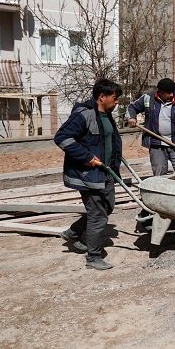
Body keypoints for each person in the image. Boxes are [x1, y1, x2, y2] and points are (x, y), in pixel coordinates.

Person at [54, 79, 123, 270]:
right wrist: (86, 157)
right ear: (102, 97)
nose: (117, 102)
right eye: (115, 98)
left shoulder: (107, 115)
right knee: (98, 215)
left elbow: (108, 139)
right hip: (88, 174)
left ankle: (74, 232)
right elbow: (62, 138)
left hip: (106, 171)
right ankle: (93, 257)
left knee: (107, 207)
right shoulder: (84, 115)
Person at [127, 78, 175, 177]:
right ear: (160, 92)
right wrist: (132, 117)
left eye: (172, 92)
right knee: (160, 175)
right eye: (168, 93)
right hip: (156, 143)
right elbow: (132, 107)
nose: (171, 95)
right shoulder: (148, 99)